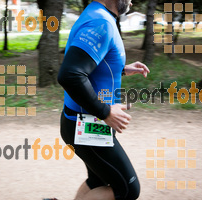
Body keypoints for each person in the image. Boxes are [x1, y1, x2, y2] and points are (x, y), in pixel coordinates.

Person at [57, 0, 150, 199]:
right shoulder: (101, 23)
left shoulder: (97, 14)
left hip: (82, 121)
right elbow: (70, 75)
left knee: (98, 180)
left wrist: (120, 69)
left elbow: (90, 65)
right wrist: (105, 111)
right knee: (127, 190)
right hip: (86, 124)